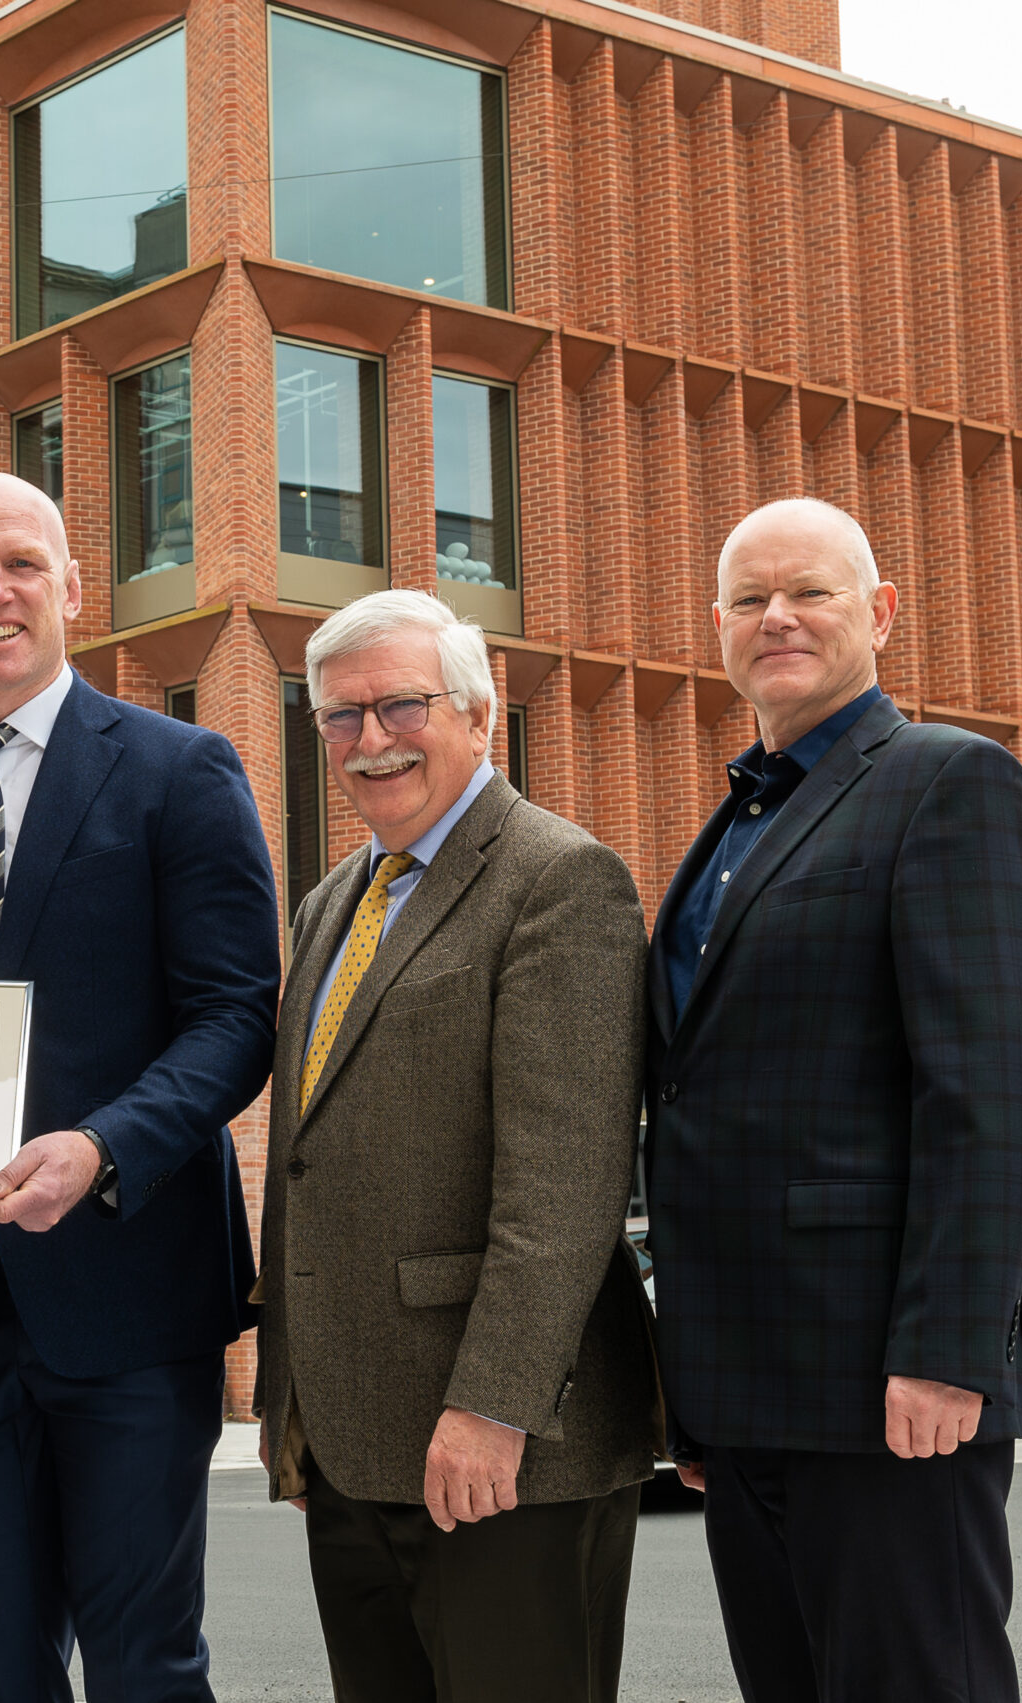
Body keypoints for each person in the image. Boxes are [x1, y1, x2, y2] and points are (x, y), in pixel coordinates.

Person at [0, 471, 282, 1701]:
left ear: (72, 588)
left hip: (132, 1301)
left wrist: (101, 1147)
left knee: (146, 1663)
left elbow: (238, 1015)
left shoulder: (181, 769)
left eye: (21, 562)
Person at [647, 498, 1022, 1703]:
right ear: (718, 630)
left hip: (889, 1380)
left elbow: (989, 1095)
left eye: (809, 592)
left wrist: (948, 1351)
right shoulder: (735, 823)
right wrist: (694, 1397)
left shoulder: (947, 782)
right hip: (750, 1389)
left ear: (880, 613)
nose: (777, 618)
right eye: (748, 600)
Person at [256, 590, 657, 1703]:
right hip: (353, 1441)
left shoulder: (557, 878)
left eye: (400, 705)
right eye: (340, 715)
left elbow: (564, 1184)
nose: (369, 738)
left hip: (502, 1450)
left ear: (479, 717)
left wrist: (492, 1407)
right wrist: (293, 1407)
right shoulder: (332, 901)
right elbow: (309, 1157)